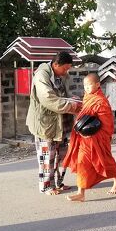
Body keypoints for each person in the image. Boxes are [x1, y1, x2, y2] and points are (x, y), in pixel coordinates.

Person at [27, 51, 81, 195]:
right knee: (47, 157)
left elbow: (64, 94)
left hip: (61, 123)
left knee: (61, 155)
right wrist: (71, 106)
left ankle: (58, 182)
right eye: (65, 68)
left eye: (68, 68)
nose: (66, 71)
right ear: (55, 64)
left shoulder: (61, 75)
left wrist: (72, 99)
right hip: (46, 124)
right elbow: (48, 99)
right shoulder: (41, 76)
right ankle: (46, 186)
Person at [63, 74, 116, 202]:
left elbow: (106, 124)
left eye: (89, 85)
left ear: (97, 85)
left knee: (105, 161)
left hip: (97, 137)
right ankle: (81, 193)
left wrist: (92, 133)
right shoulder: (87, 98)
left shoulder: (101, 101)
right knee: (81, 162)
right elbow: (85, 115)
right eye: (85, 85)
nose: (87, 88)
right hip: (84, 139)